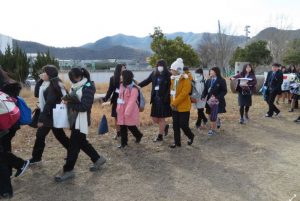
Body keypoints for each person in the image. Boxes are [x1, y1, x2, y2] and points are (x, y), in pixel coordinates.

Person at [55, 68, 106, 182]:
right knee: (82, 142)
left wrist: (70, 104)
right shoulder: (76, 85)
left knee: (74, 145)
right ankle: (98, 159)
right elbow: (75, 99)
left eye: (72, 78)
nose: (71, 81)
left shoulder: (88, 86)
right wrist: (66, 100)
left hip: (81, 119)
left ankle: (68, 170)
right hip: (75, 119)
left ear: (78, 77)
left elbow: (85, 106)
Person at [29, 65, 70, 164]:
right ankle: (73, 151)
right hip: (50, 114)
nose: (42, 74)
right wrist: (39, 80)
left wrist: (41, 119)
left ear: (49, 74)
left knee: (40, 135)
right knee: (59, 135)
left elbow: (49, 103)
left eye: (44, 72)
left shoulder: (53, 85)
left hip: (50, 115)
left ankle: (36, 158)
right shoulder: (46, 83)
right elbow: (36, 94)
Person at [0, 66, 29, 199]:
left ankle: (18, 164)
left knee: (2, 155)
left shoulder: (5, 86)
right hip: (9, 124)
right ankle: (14, 167)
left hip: (4, 125)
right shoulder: (10, 82)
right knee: (4, 152)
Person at [138, 59, 172, 142]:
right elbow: (146, 81)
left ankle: (160, 136)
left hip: (164, 100)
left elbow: (170, 88)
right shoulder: (154, 73)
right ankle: (165, 126)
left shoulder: (169, 75)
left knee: (161, 119)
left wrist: (166, 97)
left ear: (164, 66)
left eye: (161, 65)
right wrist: (137, 86)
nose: (159, 67)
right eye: (158, 65)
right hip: (155, 99)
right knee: (154, 119)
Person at [169, 58, 194, 148]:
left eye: (172, 69)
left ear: (177, 70)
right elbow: (172, 92)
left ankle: (191, 136)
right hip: (174, 106)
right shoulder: (172, 79)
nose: (171, 71)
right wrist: (172, 103)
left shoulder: (186, 80)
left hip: (183, 106)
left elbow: (184, 94)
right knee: (175, 125)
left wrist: (174, 103)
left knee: (183, 124)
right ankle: (177, 142)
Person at [117, 70, 143, 148]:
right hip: (121, 109)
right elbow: (120, 97)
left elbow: (132, 101)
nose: (120, 76)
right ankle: (123, 143)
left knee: (130, 126)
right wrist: (118, 108)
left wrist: (127, 112)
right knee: (122, 126)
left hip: (130, 110)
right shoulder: (121, 85)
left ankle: (138, 135)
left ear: (126, 76)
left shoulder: (134, 88)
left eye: (122, 75)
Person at [102, 64, 126, 139]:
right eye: (123, 68)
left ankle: (124, 133)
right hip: (116, 100)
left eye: (125, 68)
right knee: (116, 117)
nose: (124, 69)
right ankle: (118, 133)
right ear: (119, 69)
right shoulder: (113, 78)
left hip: (125, 100)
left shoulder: (127, 78)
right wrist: (106, 98)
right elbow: (110, 89)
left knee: (124, 117)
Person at [201, 67, 227, 135]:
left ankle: (213, 130)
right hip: (209, 101)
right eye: (210, 71)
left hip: (217, 101)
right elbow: (205, 90)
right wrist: (203, 96)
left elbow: (224, 91)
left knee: (213, 116)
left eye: (212, 71)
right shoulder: (208, 81)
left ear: (216, 72)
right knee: (209, 115)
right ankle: (217, 121)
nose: (210, 72)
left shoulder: (221, 80)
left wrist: (217, 97)